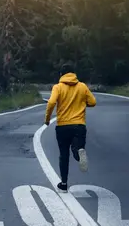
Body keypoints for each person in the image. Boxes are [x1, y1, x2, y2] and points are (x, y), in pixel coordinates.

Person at [44, 62, 97, 192]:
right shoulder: (82, 86)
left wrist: (47, 119)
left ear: (61, 74)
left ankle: (63, 183)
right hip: (79, 125)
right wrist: (82, 105)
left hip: (62, 126)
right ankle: (79, 153)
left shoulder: (58, 87)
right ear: (74, 74)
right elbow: (93, 102)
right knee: (78, 147)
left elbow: (51, 102)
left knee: (63, 154)